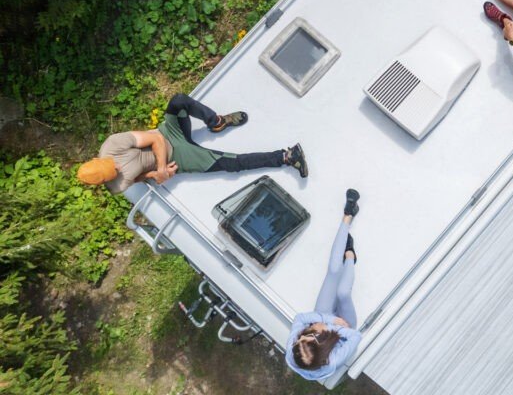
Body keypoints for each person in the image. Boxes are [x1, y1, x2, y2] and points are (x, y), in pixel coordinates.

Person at [77, 93, 308, 194]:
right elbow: (134, 177)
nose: (116, 168)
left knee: (179, 101)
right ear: (105, 181)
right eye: (113, 173)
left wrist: (159, 171)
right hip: (177, 158)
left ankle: (216, 122)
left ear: (100, 159)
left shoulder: (112, 144)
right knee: (232, 163)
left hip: (167, 133)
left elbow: (156, 139)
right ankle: (287, 157)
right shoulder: (116, 187)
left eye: (112, 165)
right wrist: (156, 176)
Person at [286, 189, 362, 380]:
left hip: (326, 317)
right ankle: (351, 256)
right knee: (343, 292)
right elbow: (355, 337)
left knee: (334, 272)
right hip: (344, 327)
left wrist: (326, 321)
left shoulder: (294, 350)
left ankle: (348, 214)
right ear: (322, 344)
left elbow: (300, 319)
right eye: (310, 333)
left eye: (302, 336)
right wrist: (334, 327)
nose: (302, 334)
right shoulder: (332, 360)